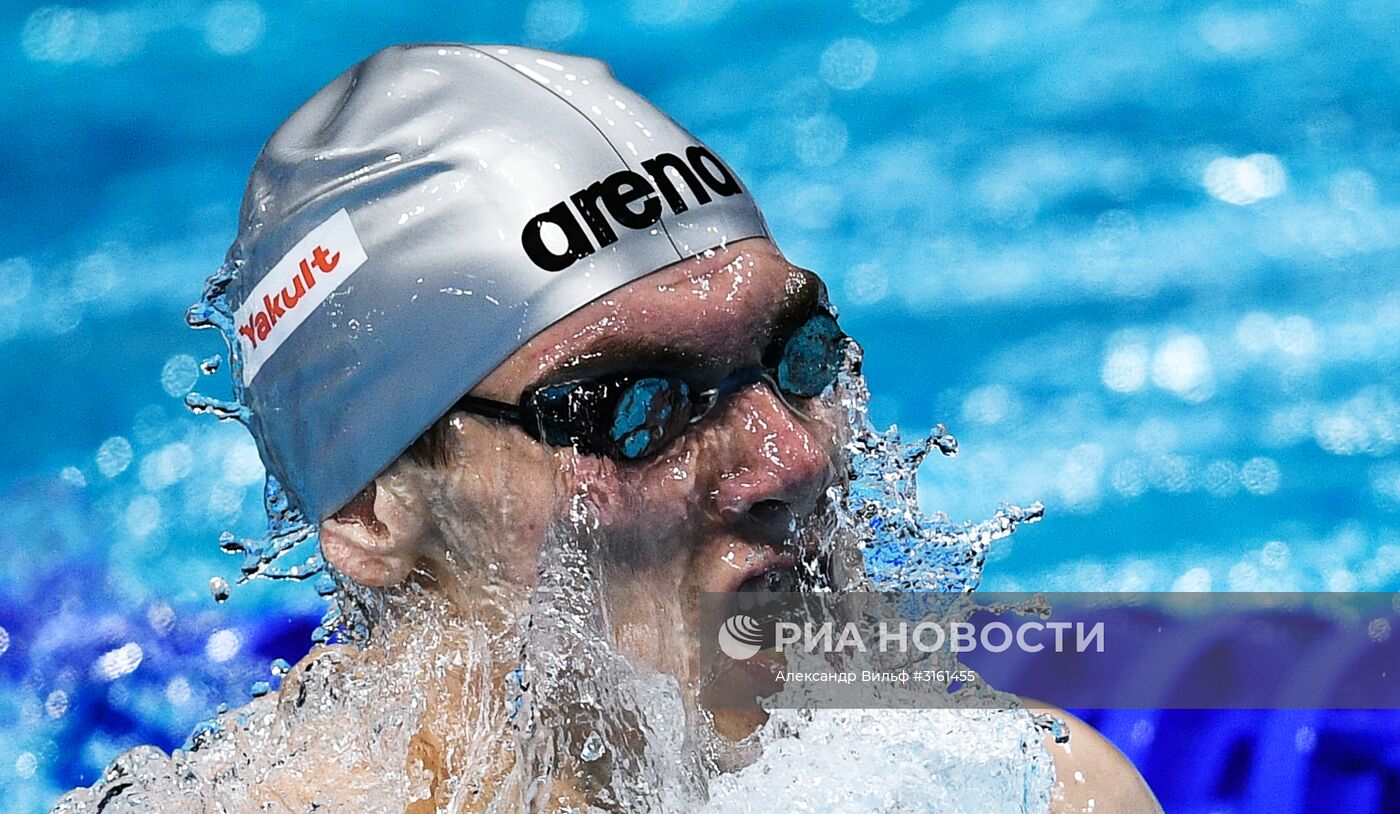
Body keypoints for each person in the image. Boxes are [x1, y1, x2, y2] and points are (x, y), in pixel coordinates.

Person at [54, 44, 1158, 813]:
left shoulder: (1036, 793)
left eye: (795, 353)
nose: (792, 457)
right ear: (369, 502)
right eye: (634, 407)